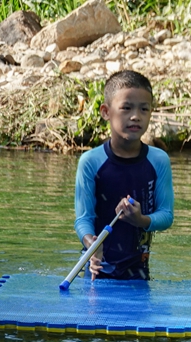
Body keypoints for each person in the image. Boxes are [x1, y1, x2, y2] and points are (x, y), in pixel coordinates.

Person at [73, 70, 174, 281]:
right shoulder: (90, 162)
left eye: (144, 109)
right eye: (126, 108)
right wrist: (92, 245)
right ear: (106, 112)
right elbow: (83, 219)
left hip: (139, 273)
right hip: (96, 272)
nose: (135, 116)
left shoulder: (158, 160)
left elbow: (166, 215)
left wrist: (141, 220)